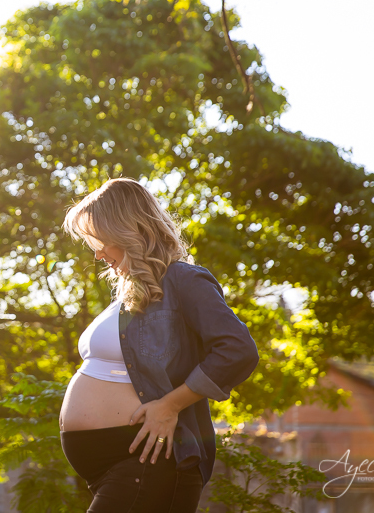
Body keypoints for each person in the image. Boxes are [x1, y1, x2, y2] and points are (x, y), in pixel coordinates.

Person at [58, 178, 260, 512]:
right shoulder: (130, 294)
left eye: (101, 240)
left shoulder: (184, 279)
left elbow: (237, 350)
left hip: (149, 460)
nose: (97, 253)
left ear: (126, 229)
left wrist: (170, 406)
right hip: (122, 466)